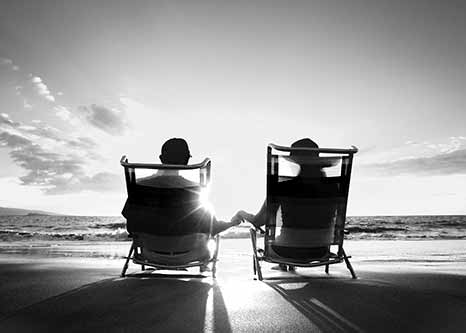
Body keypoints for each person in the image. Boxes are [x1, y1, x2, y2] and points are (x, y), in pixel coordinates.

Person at [234, 138, 339, 271]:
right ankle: (288, 263)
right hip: (321, 250)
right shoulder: (333, 189)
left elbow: (258, 221)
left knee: (283, 236)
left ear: (296, 162)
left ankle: (285, 263)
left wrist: (241, 213)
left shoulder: (282, 188)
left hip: (285, 251)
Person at [122, 138, 241, 236]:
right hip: (189, 254)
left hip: (150, 253)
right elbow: (212, 229)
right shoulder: (197, 191)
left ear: (161, 159)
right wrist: (231, 223)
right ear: (187, 160)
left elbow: (131, 227)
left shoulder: (140, 186)